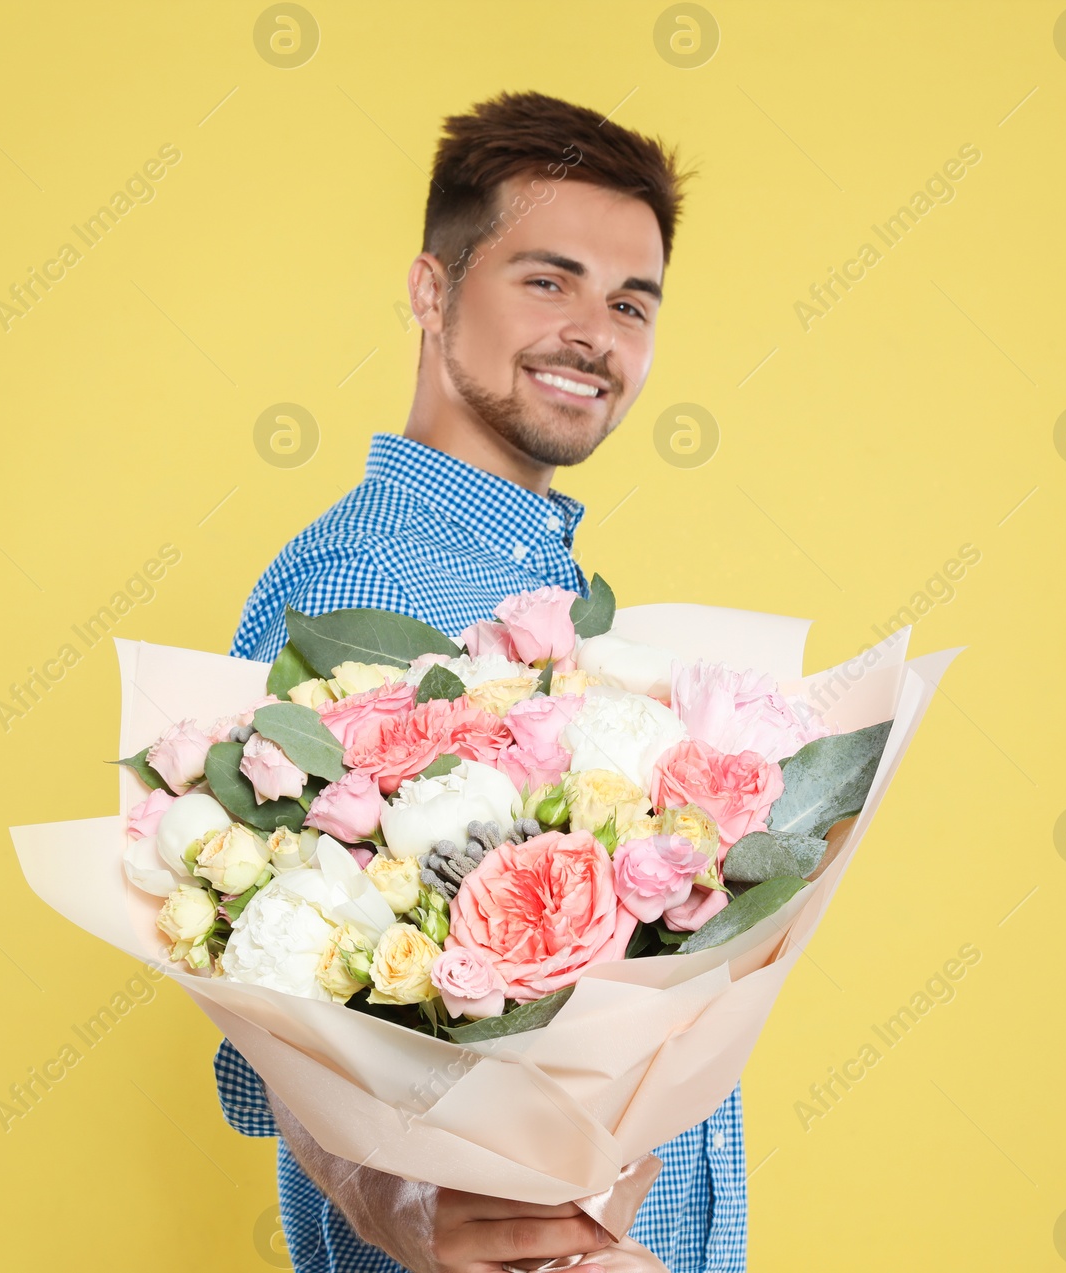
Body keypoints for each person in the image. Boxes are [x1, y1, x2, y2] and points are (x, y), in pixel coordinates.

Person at [218, 90, 745, 1273]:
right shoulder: (364, 579)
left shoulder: (540, 591)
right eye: (546, 281)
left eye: (629, 302)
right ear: (430, 290)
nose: (593, 334)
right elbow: (260, 976)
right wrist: (380, 1200)